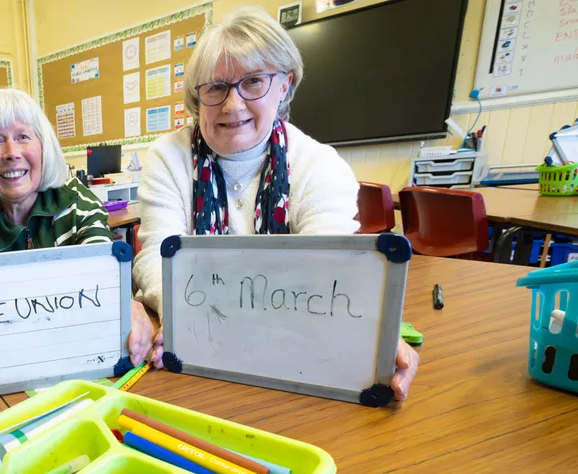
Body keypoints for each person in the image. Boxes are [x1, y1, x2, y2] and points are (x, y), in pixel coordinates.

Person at [132, 6, 418, 398]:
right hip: (194, 360)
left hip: (287, 359)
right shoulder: (168, 156)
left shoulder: (319, 164)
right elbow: (155, 258)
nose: (232, 105)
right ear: (198, 98)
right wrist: (182, 317)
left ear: (284, 85)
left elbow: (333, 274)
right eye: (215, 87)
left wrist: (371, 339)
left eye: (253, 82)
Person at [0, 88, 156, 397]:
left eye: (23, 136)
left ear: (43, 147)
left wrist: (124, 301)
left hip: (81, 373)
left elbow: (107, 287)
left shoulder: (77, 204)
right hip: (0, 384)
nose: (11, 152)